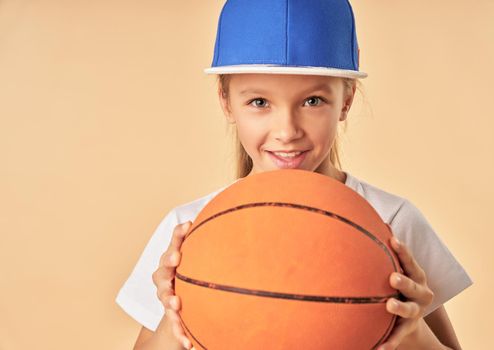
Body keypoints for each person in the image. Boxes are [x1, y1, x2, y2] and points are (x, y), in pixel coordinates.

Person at [115, 0, 473, 349]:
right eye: (259, 102)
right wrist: (172, 315)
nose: (287, 130)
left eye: (312, 101)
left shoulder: (394, 222)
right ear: (226, 102)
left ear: (346, 100)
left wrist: (413, 335)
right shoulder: (188, 227)